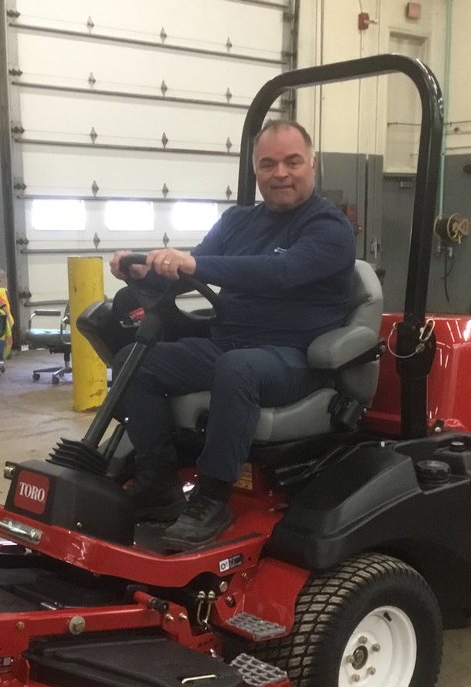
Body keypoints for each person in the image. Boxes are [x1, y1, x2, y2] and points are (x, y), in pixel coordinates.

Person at [109, 119, 356, 551]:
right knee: (136, 359)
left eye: (292, 162)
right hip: (229, 343)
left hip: (295, 356)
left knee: (237, 368)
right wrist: (144, 267)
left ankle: (213, 495)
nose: (281, 173)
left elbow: (282, 272)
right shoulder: (239, 221)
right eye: (269, 164)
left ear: (312, 165)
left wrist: (193, 265)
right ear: (256, 171)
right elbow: (192, 269)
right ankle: (157, 478)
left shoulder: (329, 228)